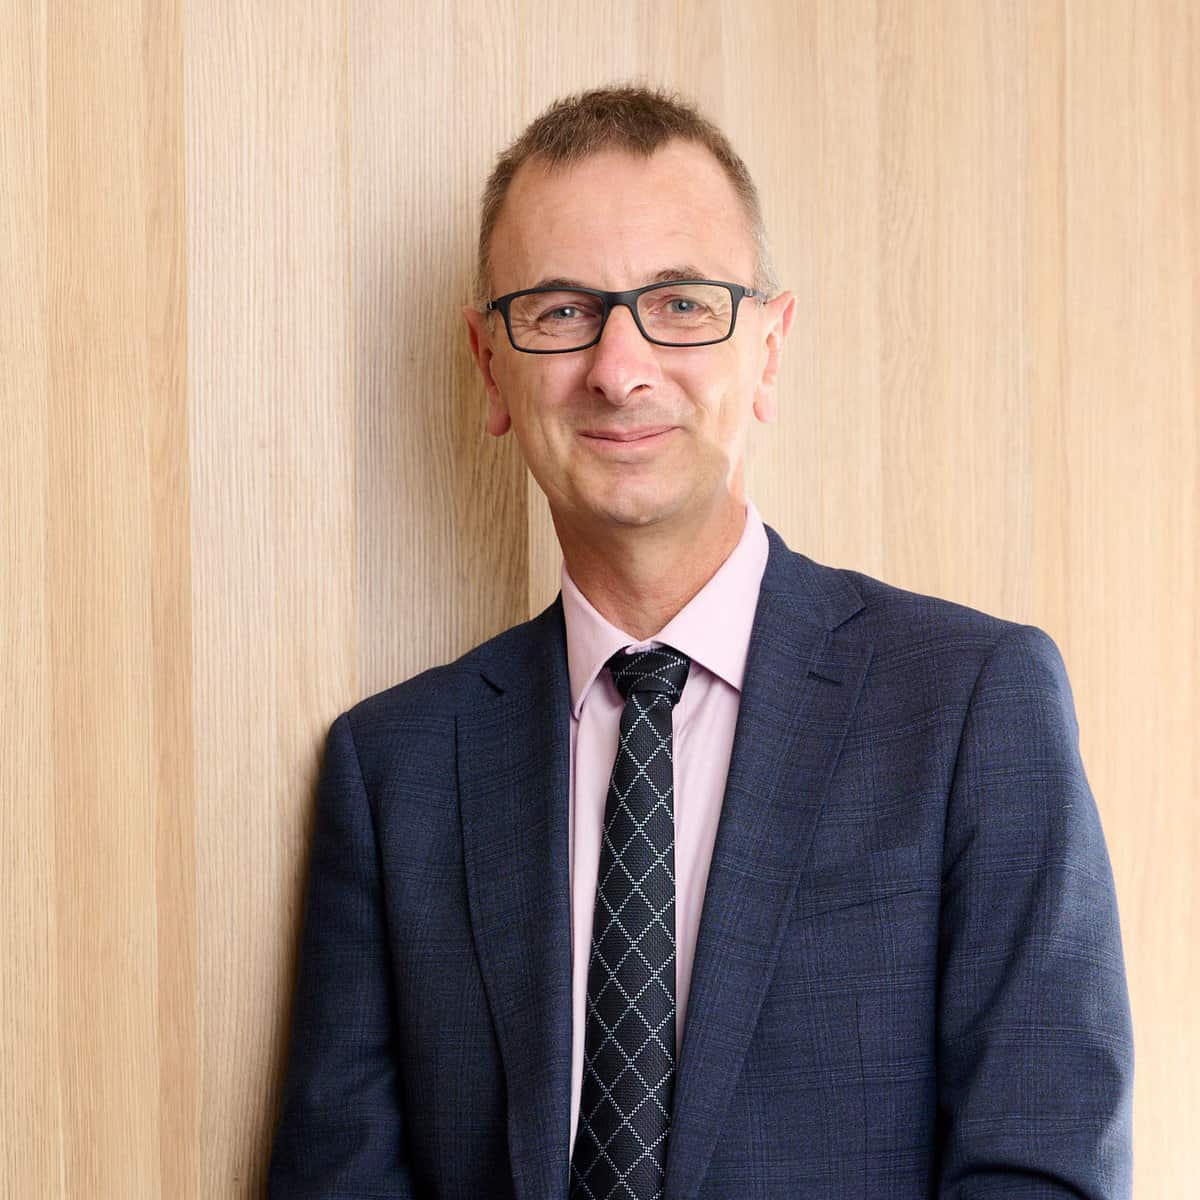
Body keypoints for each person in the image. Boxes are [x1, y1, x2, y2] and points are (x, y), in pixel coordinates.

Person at [267, 84, 1134, 1200]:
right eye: (561, 310)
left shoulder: (970, 706)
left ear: (768, 351)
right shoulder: (393, 771)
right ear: (491, 368)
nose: (620, 368)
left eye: (680, 304)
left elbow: (1044, 1167)